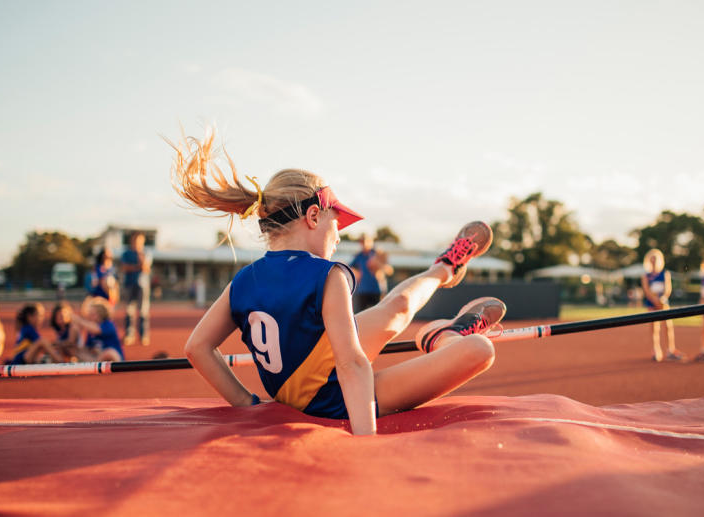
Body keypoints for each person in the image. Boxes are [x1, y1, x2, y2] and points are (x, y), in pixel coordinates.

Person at [168, 130, 505, 436]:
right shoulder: (327, 274)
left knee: (397, 308)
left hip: (313, 371)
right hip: (334, 401)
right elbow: (352, 364)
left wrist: (248, 403)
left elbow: (196, 347)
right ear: (313, 217)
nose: (338, 233)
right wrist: (365, 441)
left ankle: (446, 267)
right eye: (336, 221)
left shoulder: (243, 280)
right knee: (479, 350)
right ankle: (446, 336)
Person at [641, 249, 683, 362]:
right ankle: (656, 350)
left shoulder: (665, 273)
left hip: (663, 303)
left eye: (655, 259)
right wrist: (654, 300)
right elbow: (646, 290)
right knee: (654, 327)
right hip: (651, 303)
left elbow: (668, 288)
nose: (654, 261)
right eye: (652, 259)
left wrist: (662, 299)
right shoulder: (646, 275)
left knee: (668, 326)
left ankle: (670, 349)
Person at [120, 232, 152, 346]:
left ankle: (143, 335)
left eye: (140, 241)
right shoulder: (126, 253)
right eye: (135, 240)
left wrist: (139, 259)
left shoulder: (146, 253)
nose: (137, 243)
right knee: (129, 310)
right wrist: (137, 267)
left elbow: (146, 268)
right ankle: (129, 334)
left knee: (143, 310)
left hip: (143, 285)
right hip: (129, 284)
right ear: (131, 241)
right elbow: (125, 268)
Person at [349, 233, 392, 313]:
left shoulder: (379, 253)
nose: (364, 243)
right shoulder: (358, 256)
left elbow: (389, 270)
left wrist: (378, 264)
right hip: (362, 290)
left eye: (366, 241)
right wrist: (357, 275)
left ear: (371, 241)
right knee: (361, 316)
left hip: (377, 290)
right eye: (362, 241)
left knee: (379, 315)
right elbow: (350, 268)